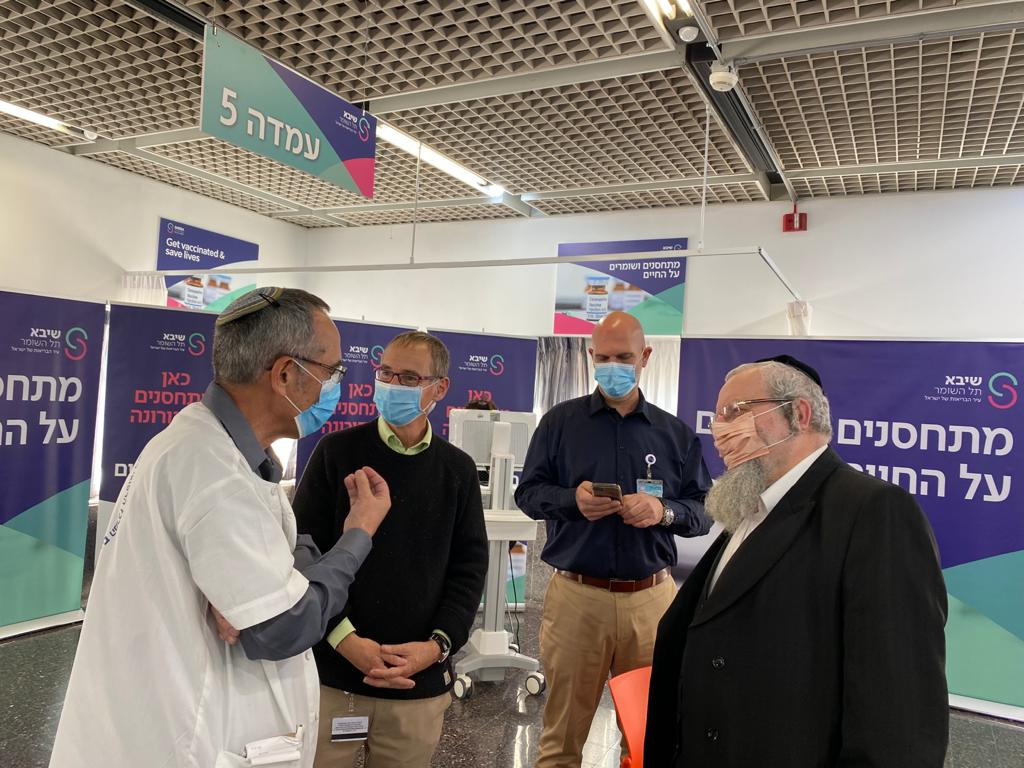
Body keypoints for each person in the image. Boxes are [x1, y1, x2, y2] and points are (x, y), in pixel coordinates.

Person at [49, 288, 392, 768]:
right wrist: (358, 534)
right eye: (331, 372)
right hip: (180, 736)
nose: (336, 387)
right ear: (285, 374)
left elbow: (283, 560)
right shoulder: (214, 470)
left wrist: (264, 588)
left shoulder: (218, 448)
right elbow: (283, 627)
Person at [645, 356, 949, 768]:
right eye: (717, 416)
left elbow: (899, 714)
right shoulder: (751, 507)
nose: (720, 430)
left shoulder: (874, 511)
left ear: (799, 414)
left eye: (736, 411)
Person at [514, 311, 712, 768]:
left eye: (623, 357)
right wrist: (572, 500)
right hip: (576, 597)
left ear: (645, 356)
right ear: (590, 357)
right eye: (602, 358)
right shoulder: (560, 423)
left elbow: (702, 511)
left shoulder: (675, 434)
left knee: (646, 738)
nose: (612, 367)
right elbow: (528, 494)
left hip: (651, 600)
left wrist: (663, 511)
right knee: (561, 739)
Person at [292, 331, 488, 768]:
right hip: (334, 676)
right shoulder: (336, 452)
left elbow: (469, 569)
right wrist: (344, 640)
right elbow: (304, 555)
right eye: (386, 373)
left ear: (439, 388)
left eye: (409, 378)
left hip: (417, 683)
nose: (393, 384)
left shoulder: (457, 470)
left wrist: (436, 647)